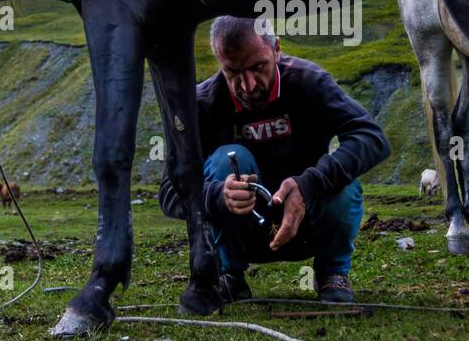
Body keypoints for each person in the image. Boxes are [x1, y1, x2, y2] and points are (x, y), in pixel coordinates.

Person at [158, 16, 391, 304]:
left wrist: (311, 184)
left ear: (276, 49)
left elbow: (372, 138)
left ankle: (332, 273)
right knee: (227, 159)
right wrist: (218, 196)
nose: (247, 85)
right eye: (232, 72)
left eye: (258, 67)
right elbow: (169, 190)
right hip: (243, 237)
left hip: (308, 228)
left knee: (343, 177)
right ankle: (230, 275)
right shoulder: (203, 104)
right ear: (220, 61)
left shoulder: (310, 82)